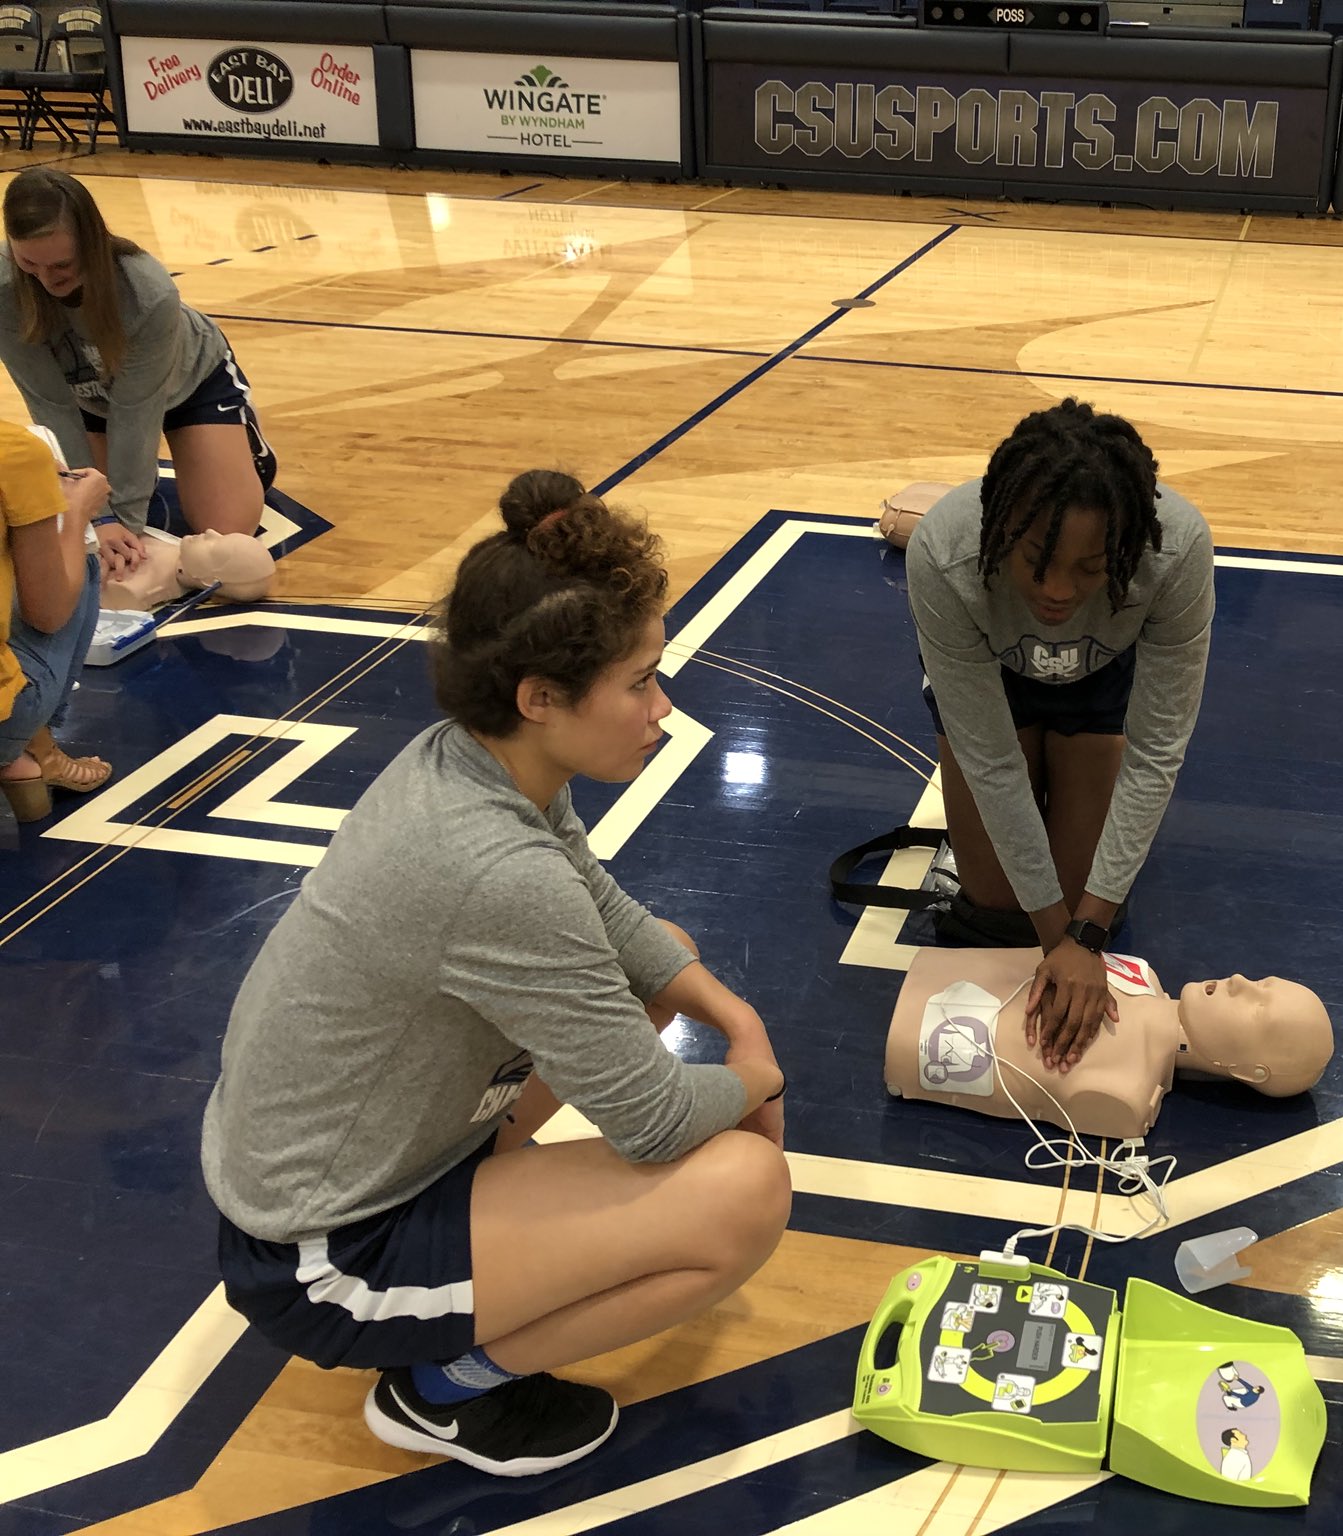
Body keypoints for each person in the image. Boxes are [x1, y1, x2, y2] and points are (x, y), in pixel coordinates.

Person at [201, 471, 790, 1477]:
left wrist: (732, 1015)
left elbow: (604, 909)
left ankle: (484, 1244)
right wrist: (759, 1079)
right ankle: (441, 1392)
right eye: (640, 682)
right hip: (326, 1257)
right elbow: (652, 1123)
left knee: (664, 954)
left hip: (364, 1161)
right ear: (540, 698)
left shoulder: (476, 760)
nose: (663, 707)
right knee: (744, 1191)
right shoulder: (492, 870)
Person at [907, 399, 1214, 1079]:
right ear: (999, 531)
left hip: (1099, 673)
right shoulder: (944, 553)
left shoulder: (1177, 550)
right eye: (1035, 559)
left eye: (1090, 567)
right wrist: (1059, 942)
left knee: (1083, 897)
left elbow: (1157, 751)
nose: (1056, 590)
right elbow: (991, 760)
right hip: (991, 675)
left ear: (1126, 551)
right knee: (999, 905)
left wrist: (1086, 930)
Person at [0, 167, 276, 585]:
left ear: (92, 242)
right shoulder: (4, 289)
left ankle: (243, 433)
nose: (45, 278)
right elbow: (50, 403)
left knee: (226, 535)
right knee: (82, 518)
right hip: (88, 399)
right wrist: (97, 517)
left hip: (189, 385)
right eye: (29, 264)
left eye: (61, 264)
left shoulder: (147, 291)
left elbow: (135, 412)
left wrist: (124, 523)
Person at [885, 946, 1332, 1138]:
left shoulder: (1126, 1093)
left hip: (918, 1040)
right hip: (942, 978)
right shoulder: (1140, 972)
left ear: (1248, 1072)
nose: (1239, 981)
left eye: (1258, 1008)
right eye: (1261, 981)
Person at [1, 422, 111, 823]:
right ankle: (35, 749)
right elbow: (48, 616)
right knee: (78, 555)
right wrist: (78, 511)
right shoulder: (15, 450)